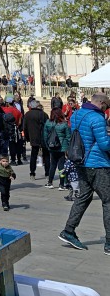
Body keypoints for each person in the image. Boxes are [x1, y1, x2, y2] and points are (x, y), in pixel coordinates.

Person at [58, 92, 110, 253]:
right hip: (98, 164)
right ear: (101, 103)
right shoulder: (97, 118)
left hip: (81, 162)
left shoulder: (77, 114)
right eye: (106, 106)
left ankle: (69, 230)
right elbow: (104, 145)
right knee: (108, 201)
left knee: (83, 198)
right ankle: (109, 243)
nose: (106, 110)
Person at [43, 108, 70, 189]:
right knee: (61, 166)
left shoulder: (48, 122)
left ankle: (50, 182)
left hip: (52, 146)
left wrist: (48, 145)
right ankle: (62, 184)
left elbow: (45, 136)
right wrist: (68, 147)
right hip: (62, 147)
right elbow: (68, 137)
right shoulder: (64, 124)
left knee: (52, 164)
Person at [23, 99, 49, 178]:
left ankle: (32, 172)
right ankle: (47, 173)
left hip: (33, 138)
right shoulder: (44, 114)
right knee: (46, 155)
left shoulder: (27, 115)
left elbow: (25, 128)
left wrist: (27, 137)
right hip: (44, 137)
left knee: (33, 155)